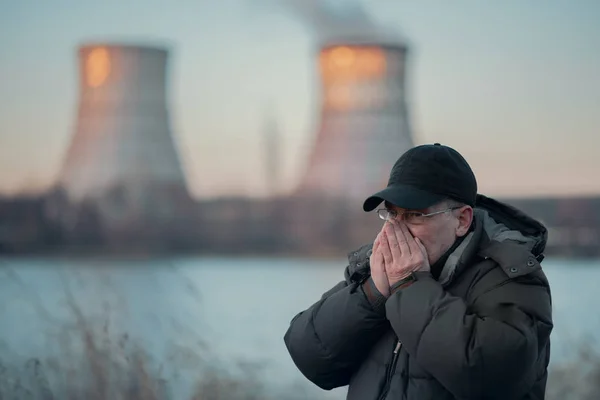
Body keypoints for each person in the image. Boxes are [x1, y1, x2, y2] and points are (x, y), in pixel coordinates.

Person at [283, 143, 553, 400]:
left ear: (462, 220)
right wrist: (371, 295)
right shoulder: (378, 270)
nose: (395, 230)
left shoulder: (512, 277)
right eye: (391, 214)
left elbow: (486, 377)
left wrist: (410, 285)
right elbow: (311, 356)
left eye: (414, 215)